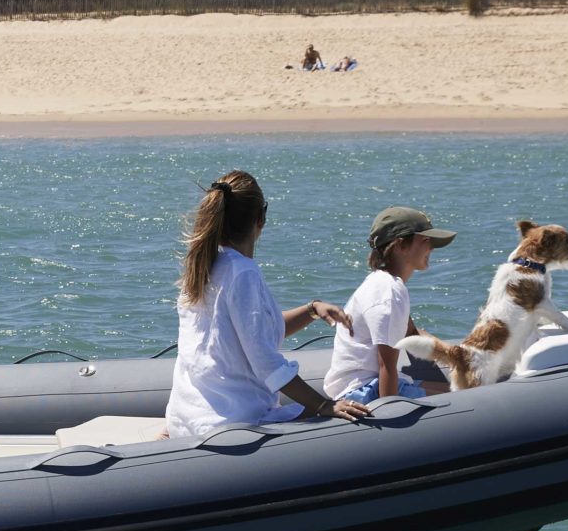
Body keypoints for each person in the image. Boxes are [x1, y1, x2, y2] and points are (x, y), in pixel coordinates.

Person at [163, 169, 370, 437]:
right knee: (358, 401)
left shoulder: (204, 267)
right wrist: (323, 405)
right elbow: (266, 362)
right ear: (261, 218)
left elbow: (251, 333)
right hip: (232, 424)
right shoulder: (242, 272)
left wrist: (311, 310)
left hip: (185, 420)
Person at [325, 207, 455, 404]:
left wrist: (456, 356)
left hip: (366, 384)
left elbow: (412, 334)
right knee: (462, 401)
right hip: (365, 391)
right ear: (400, 245)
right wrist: (389, 412)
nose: (432, 248)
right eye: (426, 241)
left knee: (459, 390)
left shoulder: (385, 283)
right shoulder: (389, 292)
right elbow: (386, 365)